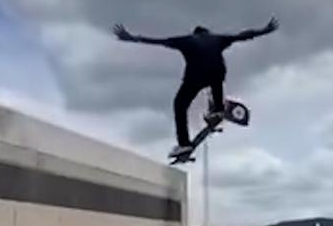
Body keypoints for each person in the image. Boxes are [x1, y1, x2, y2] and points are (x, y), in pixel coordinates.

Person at [113, 17, 278, 157]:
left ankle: (184, 143)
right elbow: (242, 36)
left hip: (195, 77)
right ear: (207, 33)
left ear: (195, 34)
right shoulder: (218, 39)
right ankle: (218, 109)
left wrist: (133, 37)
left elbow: (159, 41)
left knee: (180, 105)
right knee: (217, 77)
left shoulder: (186, 40)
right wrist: (265, 30)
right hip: (216, 74)